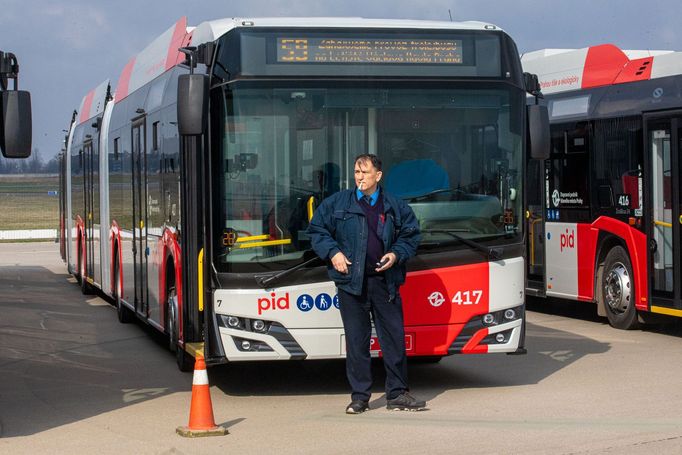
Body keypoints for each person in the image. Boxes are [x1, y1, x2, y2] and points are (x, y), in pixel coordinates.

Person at [307, 153, 425, 414]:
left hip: (386, 284)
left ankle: (397, 394)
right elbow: (317, 230)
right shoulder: (338, 203)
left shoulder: (394, 206)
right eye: (356, 172)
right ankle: (360, 397)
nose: (359, 177)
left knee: (394, 340)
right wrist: (333, 253)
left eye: (365, 172)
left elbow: (411, 235)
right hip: (352, 285)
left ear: (378, 176)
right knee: (357, 342)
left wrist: (395, 254)